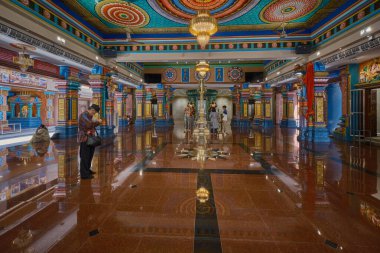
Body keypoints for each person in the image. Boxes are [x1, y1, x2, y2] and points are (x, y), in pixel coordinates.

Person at [78, 104, 102, 179]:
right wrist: (98, 122)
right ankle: (84, 174)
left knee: (90, 155)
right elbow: (89, 124)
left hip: (90, 137)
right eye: (94, 112)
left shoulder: (90, 116)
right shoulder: (83, 115)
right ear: (91, 109)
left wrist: (95, 122)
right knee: (85, 156)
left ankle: (87, 170)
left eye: (94, 113)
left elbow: (92, 125)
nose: (94, 114)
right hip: (84, 138)